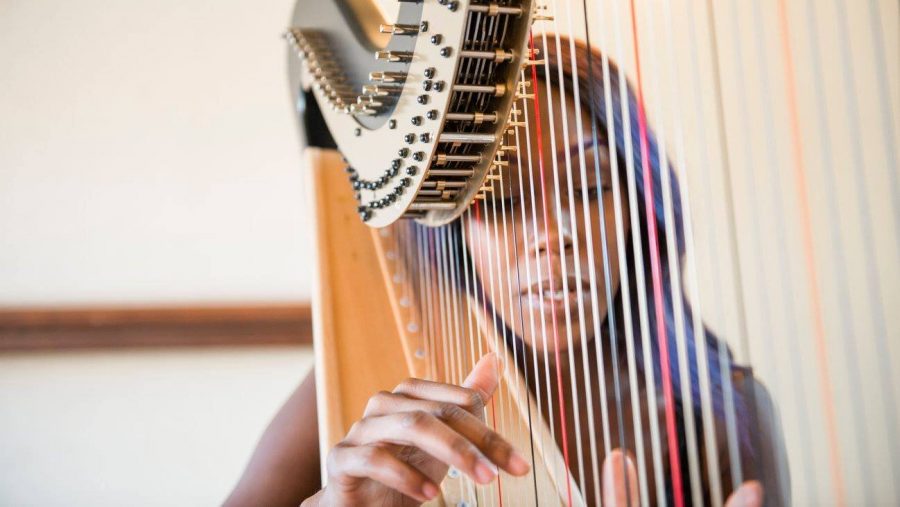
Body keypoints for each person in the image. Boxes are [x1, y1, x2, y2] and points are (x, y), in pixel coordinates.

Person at [225, 37, 787, 507]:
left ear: (640, 207)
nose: (555, 233)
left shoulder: (726, 411)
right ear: (454, 229)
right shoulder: (374, 388)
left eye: (590, 186)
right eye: (505, 196)